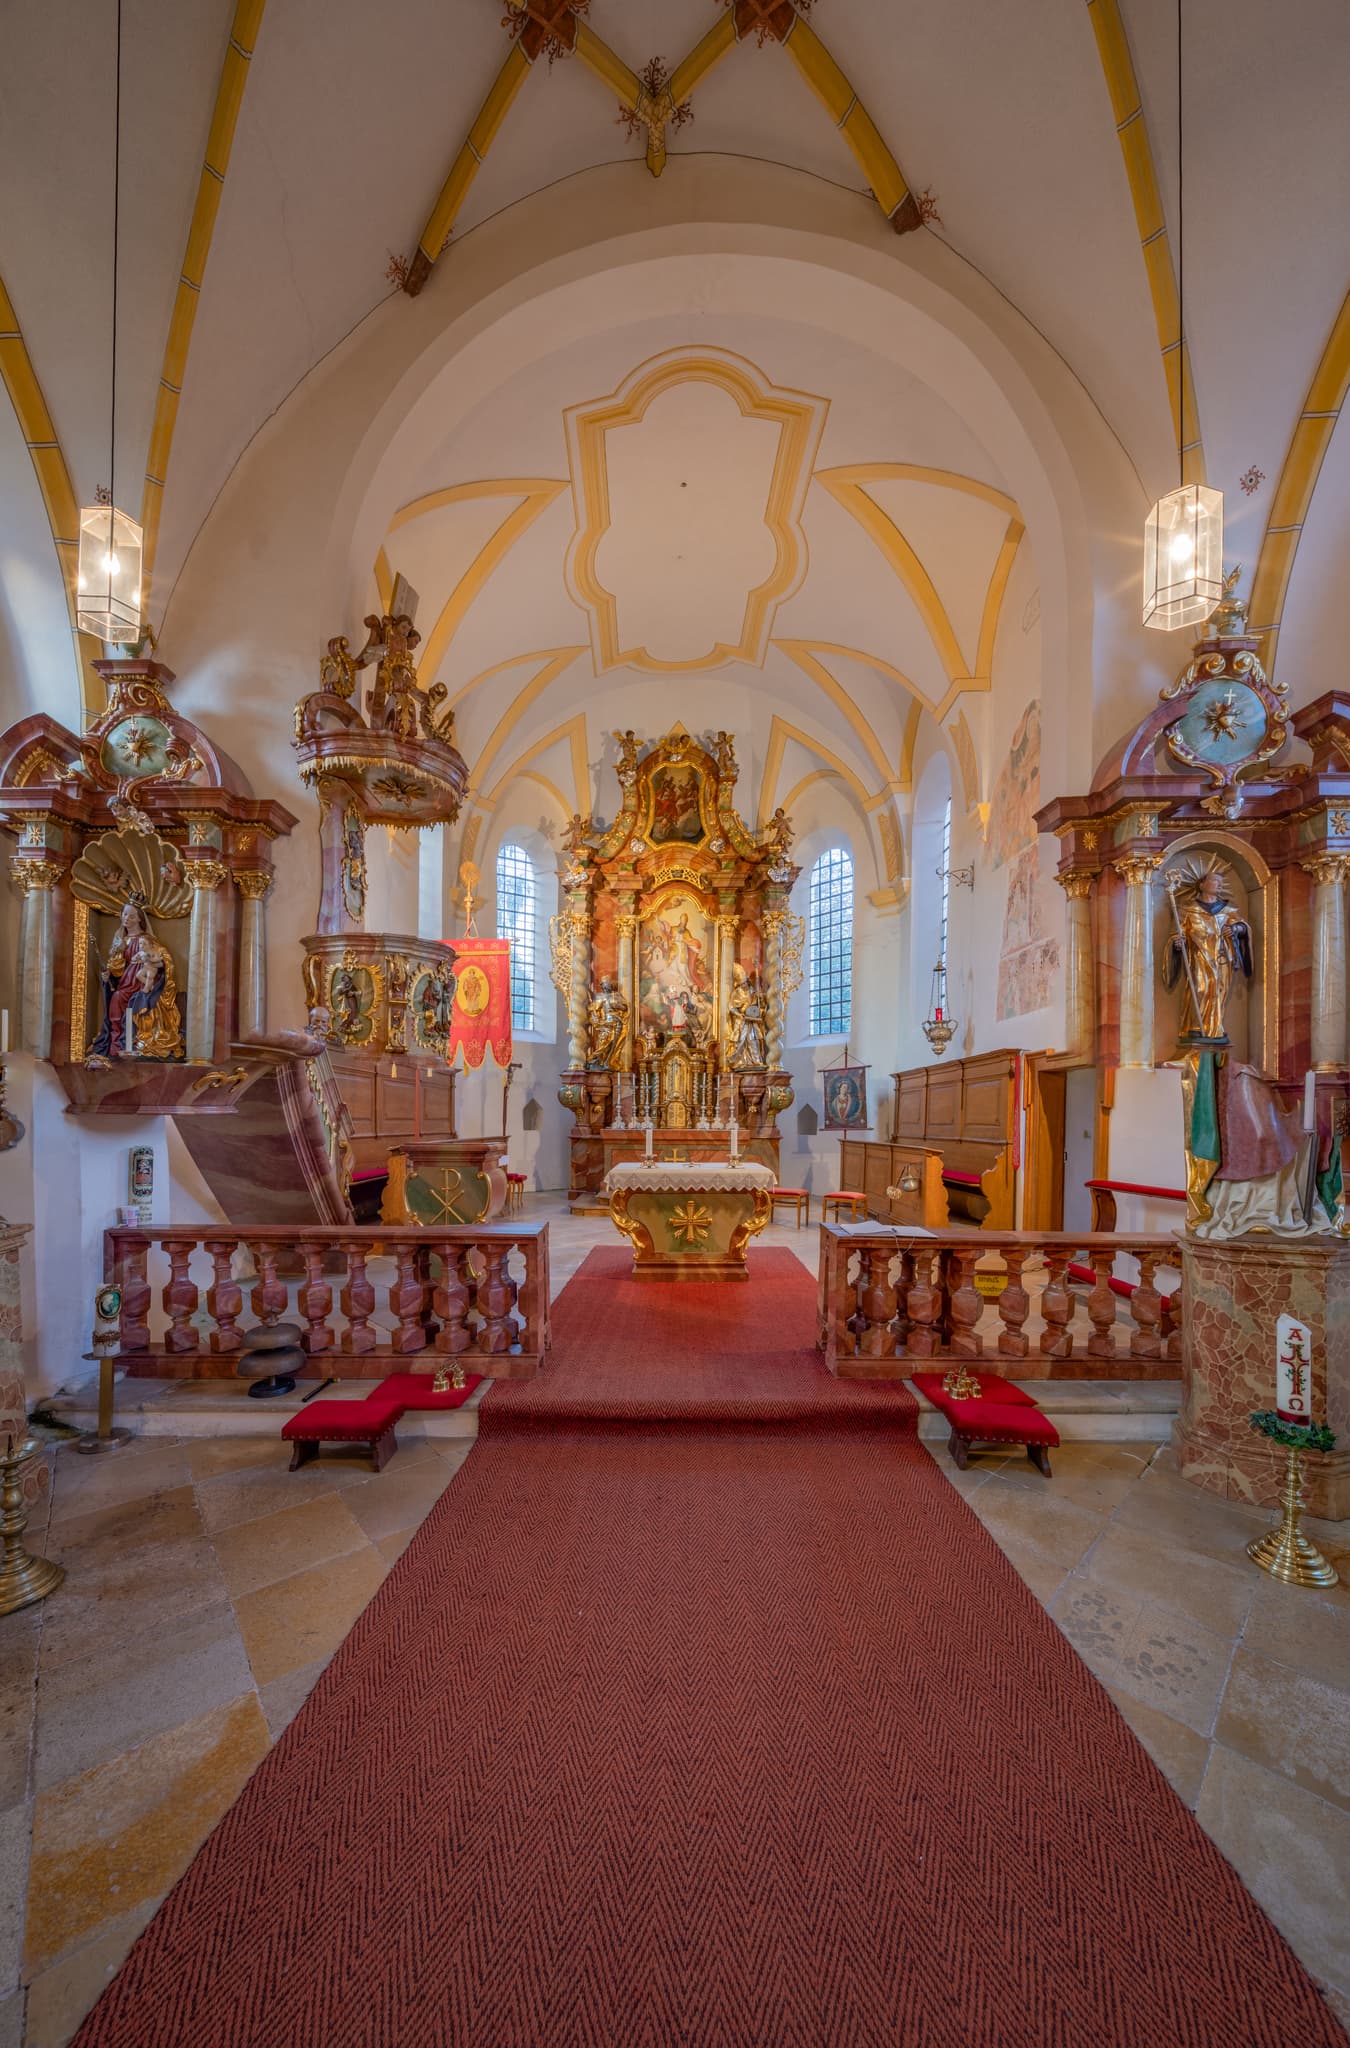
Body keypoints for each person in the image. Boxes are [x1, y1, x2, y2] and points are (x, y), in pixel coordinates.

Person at [1161, 865, 1252, 1043]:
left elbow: (1243, 927)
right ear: (1201, 885)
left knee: (1219, 991)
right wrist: (1177, 942)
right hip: (1199, 957)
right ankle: (1195, 1027)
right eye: (1215, 881)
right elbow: (1177, 933)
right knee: (1200, 989)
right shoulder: (1187, 909)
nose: (1219, 884)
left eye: (1221, 882)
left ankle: (1214, 1028)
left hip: (1222, 957)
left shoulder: (1228, 910)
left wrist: (1234, 928)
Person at [89, 899, 183, 1060]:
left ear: (140, 919)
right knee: (117, 999)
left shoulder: (148, 940)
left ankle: (138, 1041)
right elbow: (117, 968)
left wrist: (156, 963)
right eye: (124, 914)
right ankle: (118, 1042)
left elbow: (164, 959)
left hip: (144, 982)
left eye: (131, 916)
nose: (126, 919)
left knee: (140, 1003)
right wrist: (109, 974)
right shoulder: (121, 940)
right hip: (126, 983)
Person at [724, 963, 767, 1070]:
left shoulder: (753, 991)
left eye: (745, 983)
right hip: (741, 1020)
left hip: (751, 1020)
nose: (744, 986)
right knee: (740, 1040)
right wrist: (740, 1015)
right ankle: (735, 1060)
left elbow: (759, 1005)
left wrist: (760, 999)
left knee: (753, 1040)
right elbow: (731, 1008)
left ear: (747, 982)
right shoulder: (736, 993)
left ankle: (756, 1061)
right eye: (741, 984)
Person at [587, 975, 629, 1070]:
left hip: (618, 1022)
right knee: (604, 1043)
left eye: (609, 983)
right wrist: (597, 1021)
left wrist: (617, 1005)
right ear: (602, 985)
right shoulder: (600, 996)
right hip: (606, 1024)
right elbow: (593, 1010)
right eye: (606, 983)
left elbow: (625, 1007)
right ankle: (592, 1059)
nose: (608, 985)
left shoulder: (617, 995)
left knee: (614, 1044)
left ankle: (607, 1062)